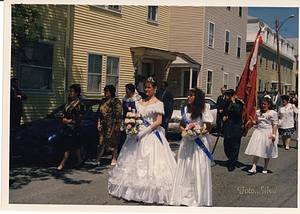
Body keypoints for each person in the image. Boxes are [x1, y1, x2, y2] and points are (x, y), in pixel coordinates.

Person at [108, 77, 176, 204]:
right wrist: (132, 126)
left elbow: (159, 121)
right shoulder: (139, 102)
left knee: (151, 162)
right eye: (145, 87)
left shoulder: (158, 103)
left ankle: (151, 191)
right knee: (132, 159)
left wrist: (146, 130)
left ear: (155, 88)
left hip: (152, 133)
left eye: (149, 87)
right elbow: (136, 116)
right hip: (137, 134)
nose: (146, 89)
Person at [169, 87, 213, 207]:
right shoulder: (184, 110)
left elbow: (208, 128)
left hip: (200, 143)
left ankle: (198, 197)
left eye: (191, 95)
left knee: (198, 167)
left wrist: (197, 133)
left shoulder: (203, 110)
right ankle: (184, 195)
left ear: (197, 97)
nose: (188, 97)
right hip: (187, 142)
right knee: (186, 167)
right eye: (188, 95)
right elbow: (181, 125)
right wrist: (187, 132)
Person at [245, 97, 278, 174]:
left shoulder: (273, 113)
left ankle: (265, 166)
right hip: (259, 132)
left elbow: (275, 124)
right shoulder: (258, 112)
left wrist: (274, 134)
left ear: (269, 105)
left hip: (268, 132)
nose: (263, 105)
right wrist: (253, 121)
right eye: (262, 104)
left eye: (265, 104)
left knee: (266, 150)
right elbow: (257, 122)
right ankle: (254, 167)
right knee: (257, 149)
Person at [92, 85, 122, 166]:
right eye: (105, 91)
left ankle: (113, 158)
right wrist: (99, 123)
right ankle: (97, 160)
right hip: (104, 124)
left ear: (111, 92)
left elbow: (119, 114)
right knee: (101, 142)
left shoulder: (116, 101)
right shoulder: (103, 101)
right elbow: (100, 114)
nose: (105, 93)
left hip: (112, 123)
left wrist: (118, 124)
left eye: (107, 91)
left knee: (113, 141)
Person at [57, 84, 84, 171]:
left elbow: (80, 117)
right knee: (75, 146)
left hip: (74, 128)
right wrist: (64, 119)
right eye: (70, 91)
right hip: (67, 128)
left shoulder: (80, 103)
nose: (70, 93)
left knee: (68, 146)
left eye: (72, 91)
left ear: (76, 93)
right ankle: (80, 160)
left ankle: (62, 163)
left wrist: (70, 121)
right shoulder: (69, 102)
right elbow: (65, 113)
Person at [222, 89, 243, 171]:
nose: (225, 97)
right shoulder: (226, 103)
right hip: (227, 128)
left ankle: (232, 164)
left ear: (230, 96)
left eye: (226, 96)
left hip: (235, 128)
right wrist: (223, 117)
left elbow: (239, 112)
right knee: (226, 146)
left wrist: (234, 103)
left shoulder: (238, 103)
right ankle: (231, 158)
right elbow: (222, 112)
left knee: (235, 147)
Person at [120, 83, 142, 150]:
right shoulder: (124, 98)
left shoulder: (137, 98)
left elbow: (139, 109)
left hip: (134, 118)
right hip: (125, 119)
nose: (126, 91)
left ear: (131, 90)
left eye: (127, 89)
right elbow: (122, 109)